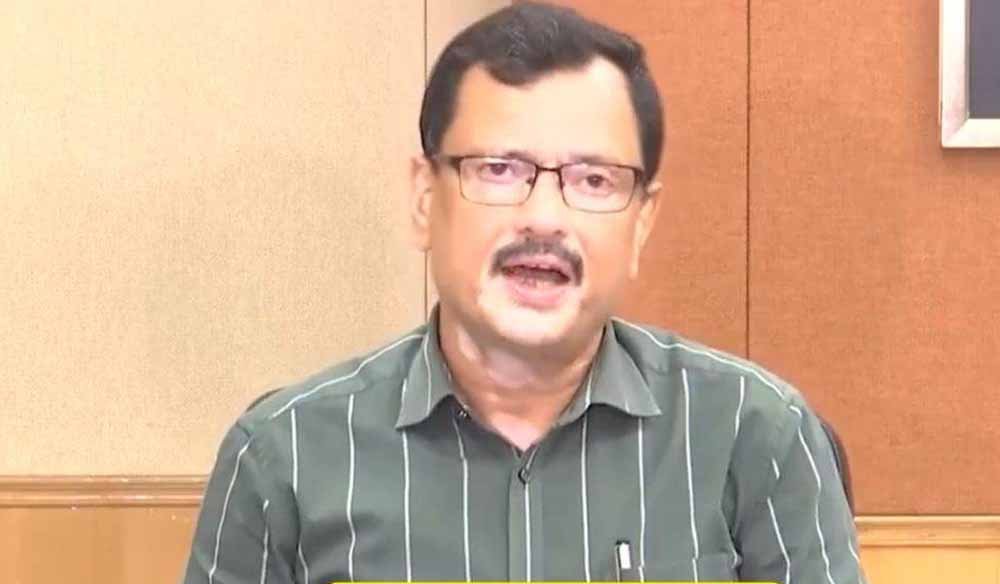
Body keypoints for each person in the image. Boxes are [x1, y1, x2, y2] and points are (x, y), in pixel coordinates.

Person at [183, 3, 866, 583]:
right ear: (424, 199)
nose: (544, 217)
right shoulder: (284, 457)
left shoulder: (756, 437)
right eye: (500, 169)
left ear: (641, 222)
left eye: (593, 180)